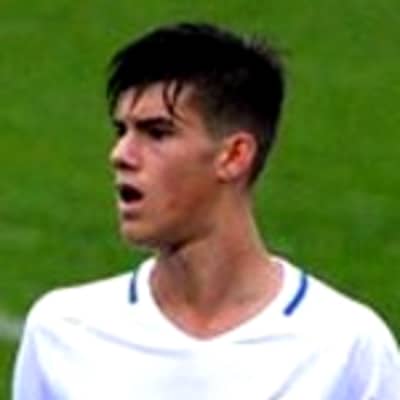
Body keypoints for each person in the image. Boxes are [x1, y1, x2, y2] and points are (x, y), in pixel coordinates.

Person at [13, 22, 400, 399]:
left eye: (157, 133)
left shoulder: (346, 349)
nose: (120, 155)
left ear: (234, 156)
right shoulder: (63, 333)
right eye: (122, 131)